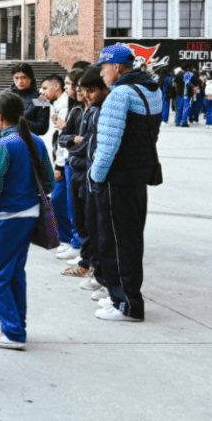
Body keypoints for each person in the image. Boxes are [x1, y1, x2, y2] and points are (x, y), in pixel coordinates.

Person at [88, 44, 162, 322]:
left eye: (104, 68)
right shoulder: (151, 90)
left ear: (118, 68)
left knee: (115, 240)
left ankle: (127, 303)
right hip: (137, 175)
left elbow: (108, 144)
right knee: (130, 238)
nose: (102, 74)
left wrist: (96, 176)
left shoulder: (119, 95)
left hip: (116, 178)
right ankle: (122, 295)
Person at [0, 92, 55, 351]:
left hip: (7, 217)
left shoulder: (4, 146)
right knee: (14, 272)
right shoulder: (35, 140)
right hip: (30, 214)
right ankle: (14, 323)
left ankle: (12, 332)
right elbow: (50, 181)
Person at [58, 68, 95, 279]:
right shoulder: (78, 111)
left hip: (89, 170)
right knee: (78, 216)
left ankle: (91, 265)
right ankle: (85, 261)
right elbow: (63, 138)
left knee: (90, 221)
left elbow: (91, 144)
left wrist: (76, 143)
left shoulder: (96, 112)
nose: (81, 91)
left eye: (86, 88)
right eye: (78, 86)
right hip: (75, 167)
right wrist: (74, 141)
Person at [44, 74, 80, 260]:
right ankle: (69, 239)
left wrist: (58, 165)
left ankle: (73, 241)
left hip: (69, 159)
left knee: (64, 200)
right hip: (66, 159)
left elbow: (65, 137)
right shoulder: (64, 104)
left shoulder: (69, 106)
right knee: (63, 200)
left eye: (69, 84)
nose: (68, 88)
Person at [0, 63, 49, 136]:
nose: (20, 81)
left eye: (24, 77)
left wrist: (16, 120)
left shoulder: (41, 97)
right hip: (7, 139)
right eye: (16, 78)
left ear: (31, 78)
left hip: (30, 142)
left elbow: (42, 128)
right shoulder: (4, 95)